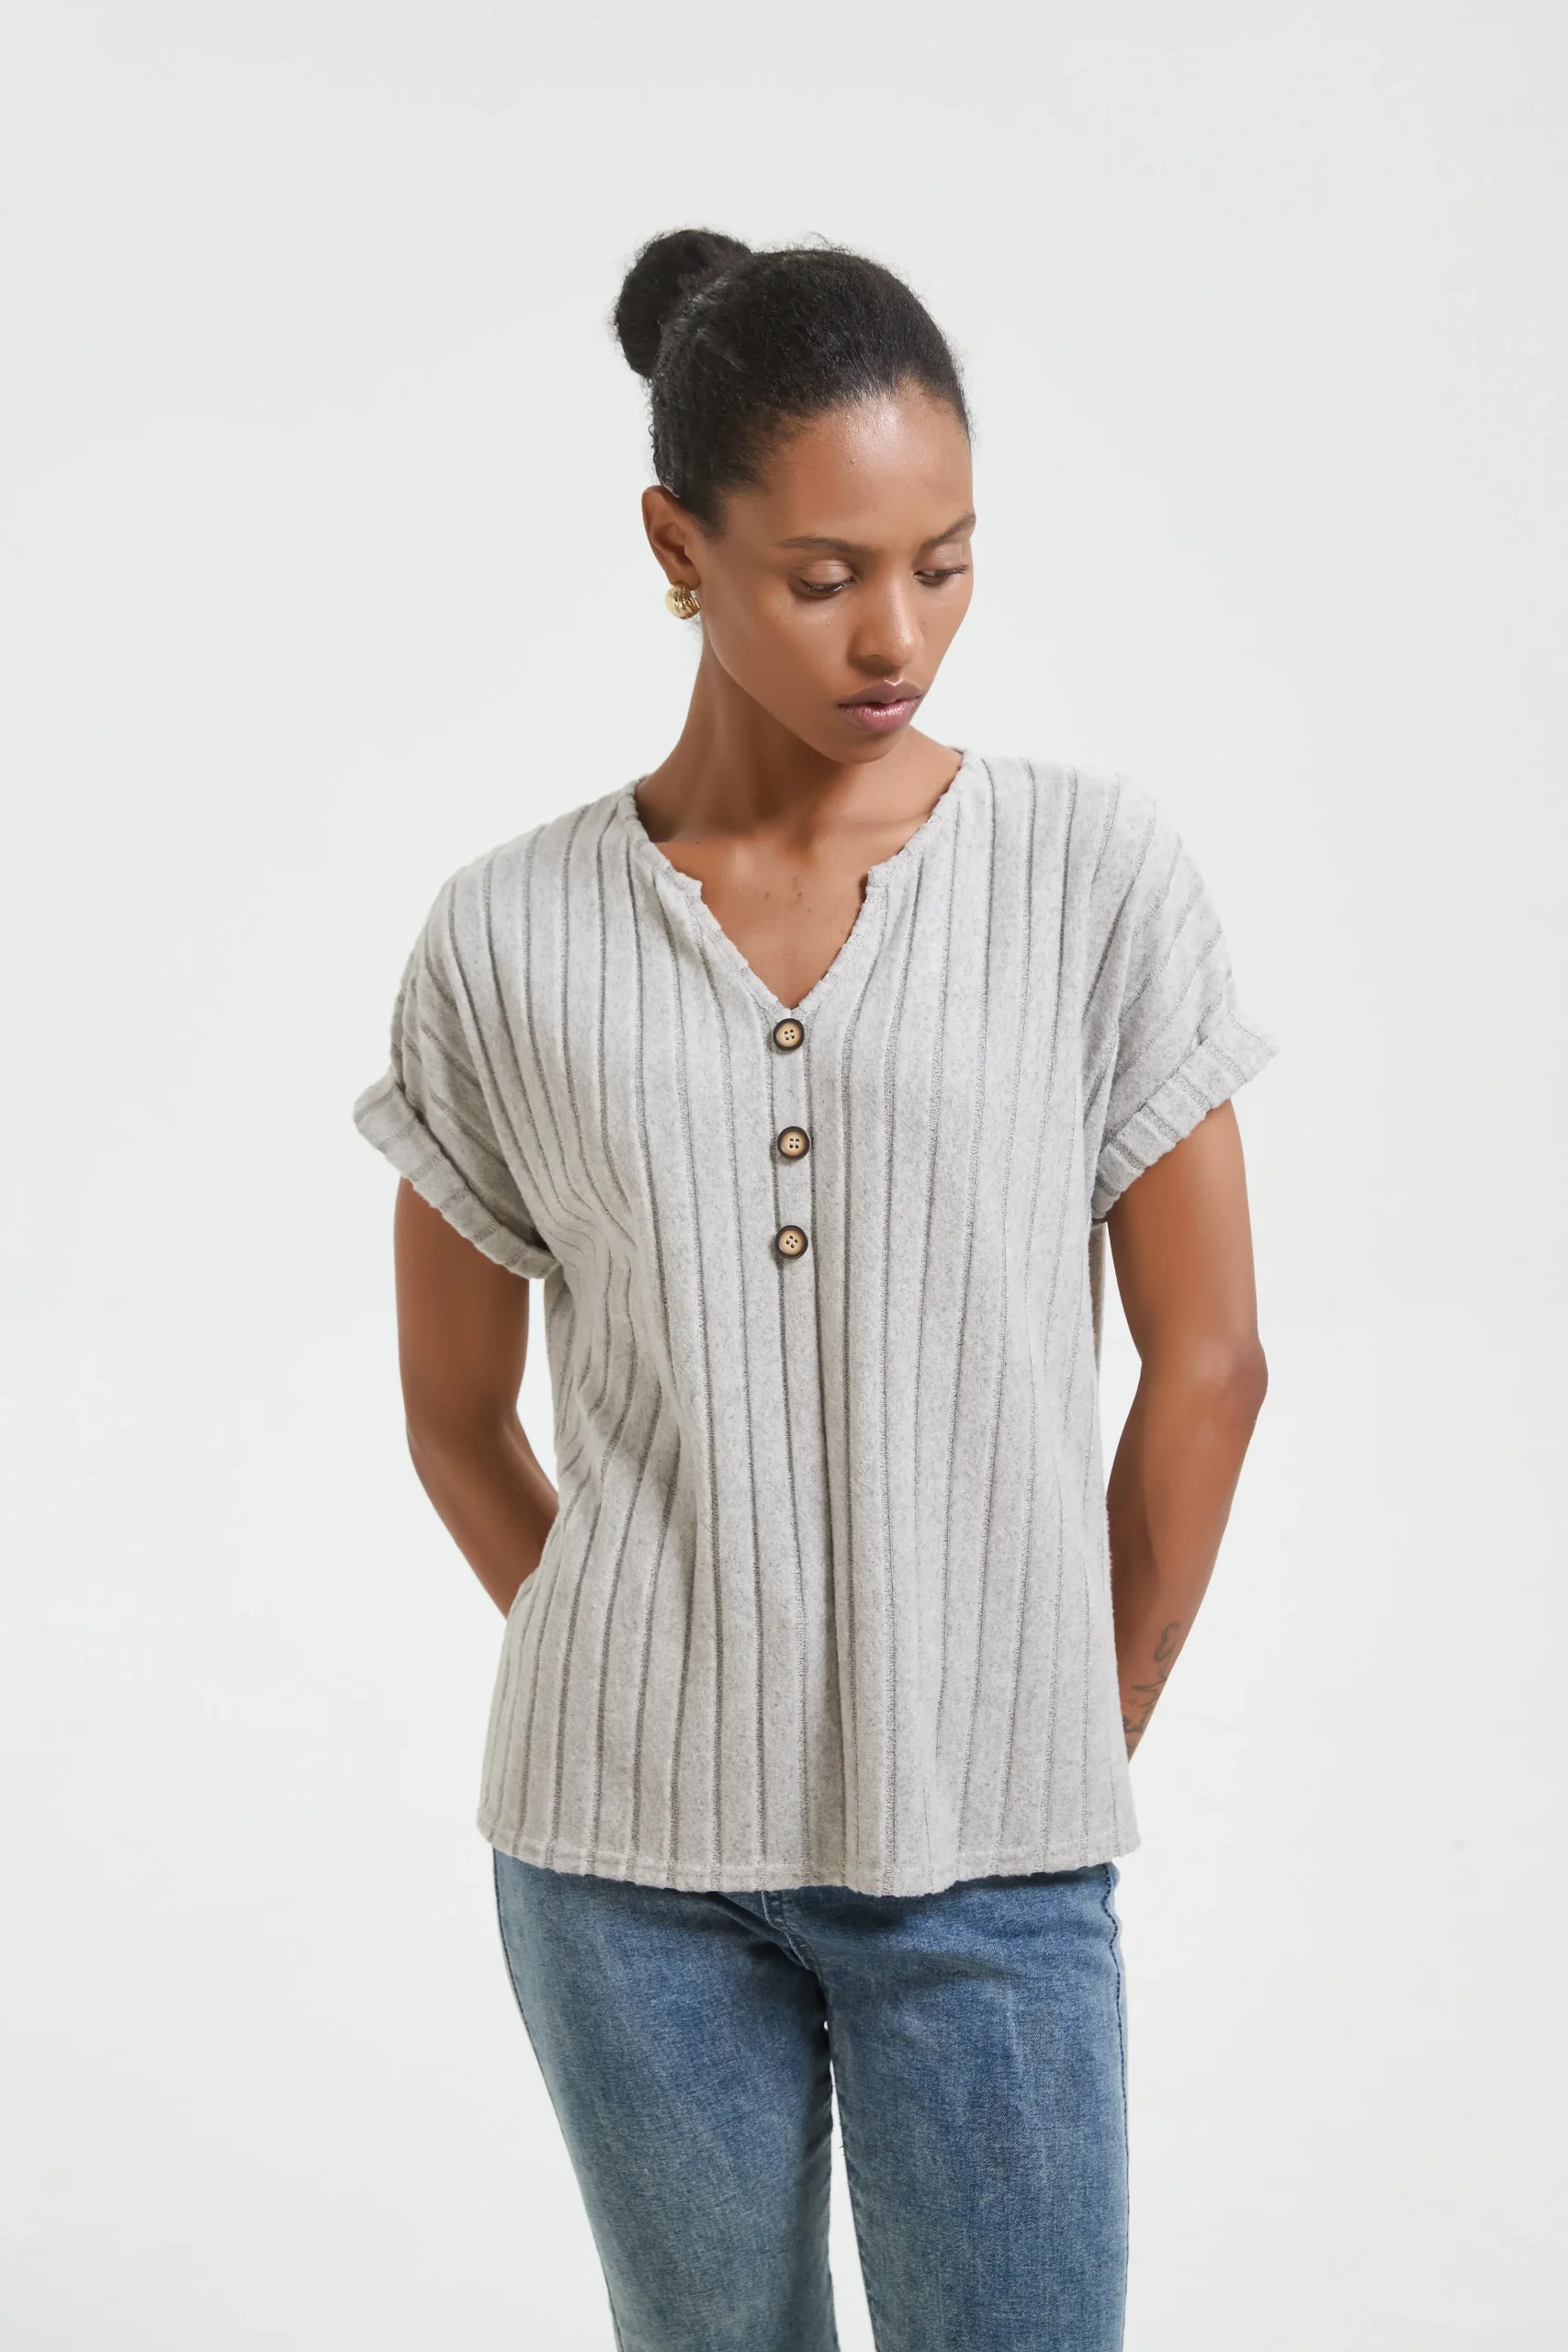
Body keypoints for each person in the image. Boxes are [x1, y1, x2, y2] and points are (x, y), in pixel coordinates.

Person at [352, 227, 1275, 2352]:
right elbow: (450, 1413)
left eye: (946, 564)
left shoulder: (1090, 878)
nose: (898, 633)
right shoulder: (503, 935)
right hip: (613, 1875)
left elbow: (1210, 1358)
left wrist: (1075, 1711)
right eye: (826, 573)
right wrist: (645, 1669)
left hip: (994, 1853)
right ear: (677, 546)